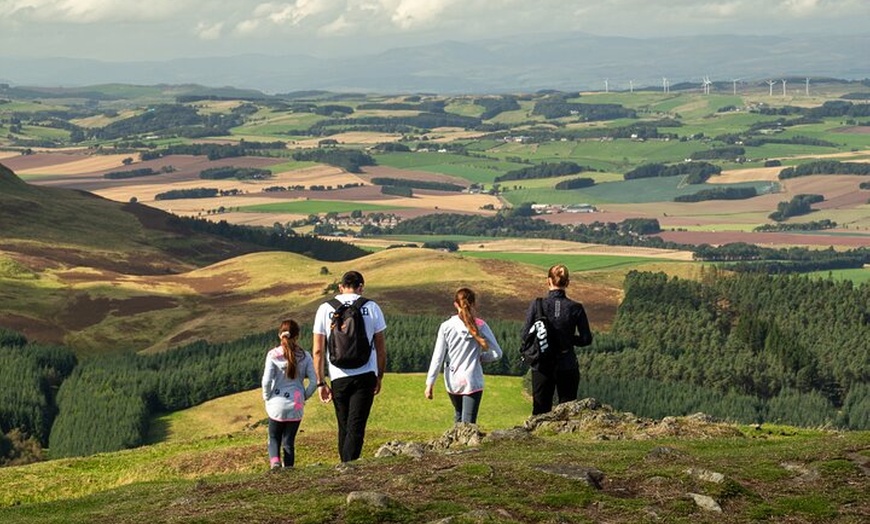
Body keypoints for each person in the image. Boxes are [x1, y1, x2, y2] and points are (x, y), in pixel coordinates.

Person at [312, 270, 387, 463]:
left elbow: (318, 351)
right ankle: (348, 467)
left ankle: (344, 465)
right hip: (366, 374)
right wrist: (379, 376)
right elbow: (380, 347)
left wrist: (320, 383)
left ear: (340, 287)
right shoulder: (371, 307)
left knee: (344, 425)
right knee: (357, 426)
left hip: (338, 376)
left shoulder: (324, 309)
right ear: (361, 287)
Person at [522, 264, 593, 415]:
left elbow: (525, 335)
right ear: (567, 283)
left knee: (540, 411)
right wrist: (567, 338)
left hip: (542, 363)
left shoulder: (537, 304)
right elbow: (586, 339)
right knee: (567, 412)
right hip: (567, 362)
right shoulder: (576, 307)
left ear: (548, 281)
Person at [425, 287, 503, 424]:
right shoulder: (481, 325)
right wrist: (481, 358)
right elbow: (497, 353)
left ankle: (454, 444)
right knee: (469, 425)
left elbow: (438, 357)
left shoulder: (446, 326)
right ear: (473, 304)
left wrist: (430, 384)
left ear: (456, 304)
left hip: (452, 380)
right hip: (472, 380)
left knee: (458, 417)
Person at [261, 319, 317, 469]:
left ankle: (275, 463)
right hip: (296, 403)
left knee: (273, 437)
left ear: (280, 335)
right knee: (289, 442)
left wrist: (267, 396)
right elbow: (313, 381)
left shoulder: (273, 355)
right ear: (297, 336)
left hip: (276, 402)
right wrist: (304, 396)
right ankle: (289, 471)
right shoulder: (305, 356)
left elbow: (266, 381)